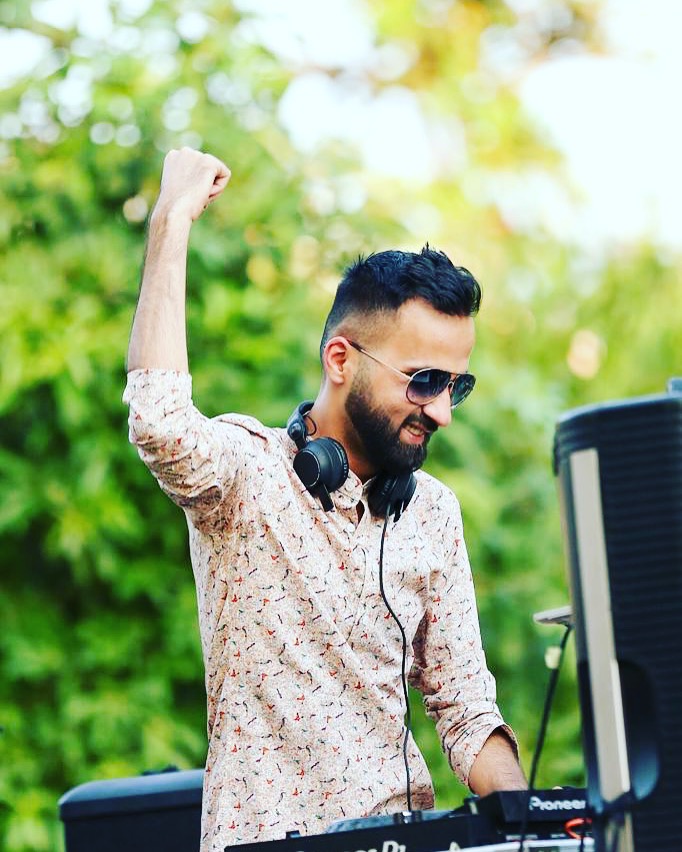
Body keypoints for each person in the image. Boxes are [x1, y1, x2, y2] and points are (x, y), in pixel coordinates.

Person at [124, 148, 526, 852]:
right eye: (423, 380)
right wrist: (170, 220)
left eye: (455, 386)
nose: (441, 411)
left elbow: (465, 709)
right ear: (340, 360)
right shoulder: (248, 476)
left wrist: (536, 826)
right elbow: (159, 422)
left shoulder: (434, 512)